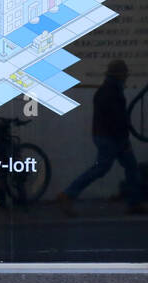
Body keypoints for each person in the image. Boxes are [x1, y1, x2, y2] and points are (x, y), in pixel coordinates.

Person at [57, 60, 143, 215]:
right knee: (117, 168)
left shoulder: (106, 91)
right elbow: (116, 120)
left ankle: (68, 194)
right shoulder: (113, 92)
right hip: (112, 137)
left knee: (106, 168)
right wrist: (124, 141)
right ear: (121, 75)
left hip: (105, 136)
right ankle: (68, 194)